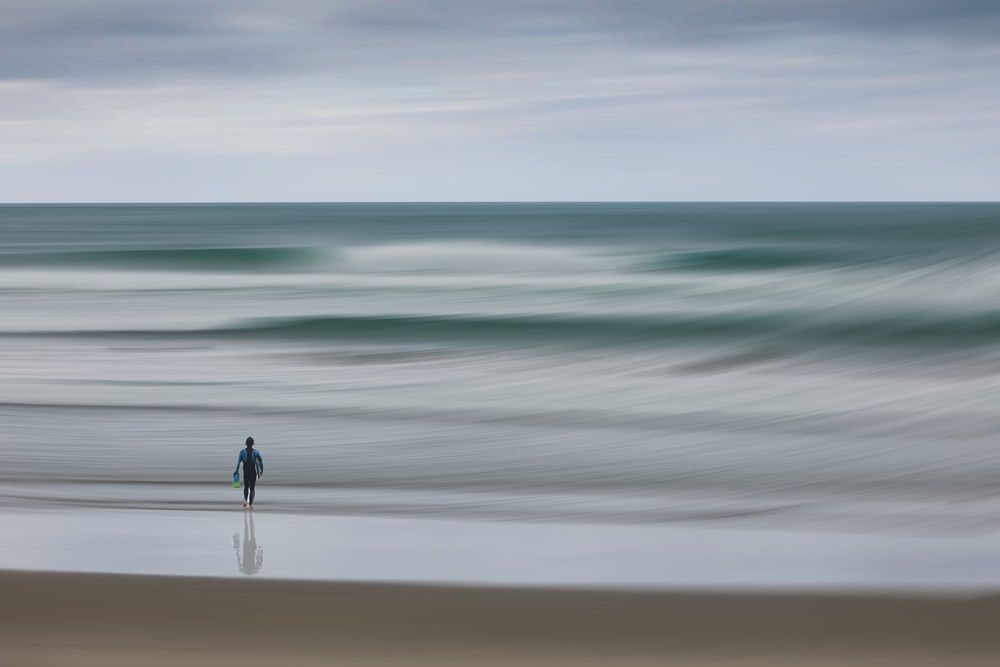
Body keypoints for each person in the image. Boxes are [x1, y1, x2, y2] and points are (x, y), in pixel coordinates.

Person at [234, 436, 263, 509]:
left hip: (246, 472)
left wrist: (236, 471)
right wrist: (261, 471)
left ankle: (245, 500)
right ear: (253, 443)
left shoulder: (242, 452)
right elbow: (261, 462)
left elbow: (238, 463)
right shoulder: (256, 452)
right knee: (252, 488)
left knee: (246, 487)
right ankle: (250, 505)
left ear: (246, 443)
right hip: (253, 472)